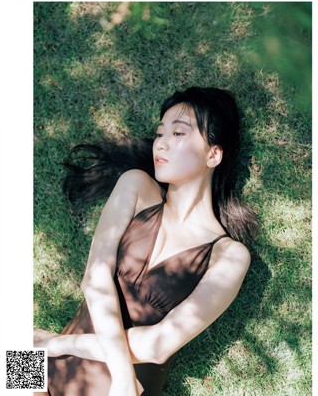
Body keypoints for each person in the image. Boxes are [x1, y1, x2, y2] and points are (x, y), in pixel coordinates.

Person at [34, 87, 257, 396]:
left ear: (213, 154)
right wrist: (121, 374)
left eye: (178, 133)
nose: (161, 142)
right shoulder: (136, 186)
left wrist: (55, 343)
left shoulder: (229, 256)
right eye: (160, 133)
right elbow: (94, 279)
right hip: (47, 367)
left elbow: (157, 346)